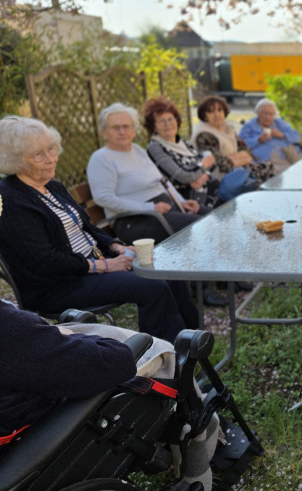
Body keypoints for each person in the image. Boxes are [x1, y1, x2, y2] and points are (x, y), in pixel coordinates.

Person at [0, 299, 222, 491]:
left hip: (27, 389)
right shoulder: (8, 328)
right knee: (160, 349)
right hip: (33, 447)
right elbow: (116, 360)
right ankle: (198, 455)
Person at [0, 116, 200, 341]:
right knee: (153, 286)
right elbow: (45, 261)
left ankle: (191, 340)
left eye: (51, 149)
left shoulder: (52, 187)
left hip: (88, 267)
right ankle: (167, 359)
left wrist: (116, 246)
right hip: (58, 285)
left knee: (165, 268)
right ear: (15, 159)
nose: (51, 159)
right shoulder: (11, 200)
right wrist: (106, 265)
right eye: (39, 155)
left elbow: (88, 227)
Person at [87, 103, 207, 245]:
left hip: (162, 210)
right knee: (202, 227)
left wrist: (181, 201)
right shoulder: (101, 158)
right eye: (115, 127)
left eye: (126, 126)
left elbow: (162, 181)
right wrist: (149, 208)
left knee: (215, 216)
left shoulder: (137, 150)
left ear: (133, 130)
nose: (121, 131)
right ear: (103, 132)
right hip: (134, 220)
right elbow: (103, 198)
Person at [144, 96, 220, 207]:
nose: (168, 124)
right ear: (154, 127)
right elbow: (183, 176)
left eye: (170, 119)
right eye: (161, 121)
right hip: (190, 202)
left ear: (177, 120)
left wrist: (203, 177)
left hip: (209, 193)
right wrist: (204, 164)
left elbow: (214, 166)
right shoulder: (155, 147)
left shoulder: (182, 143)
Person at [190, 95, 271, 182]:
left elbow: (247, 150)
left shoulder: (228, 128)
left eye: (219, 110)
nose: (216, 114)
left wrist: (233, 158)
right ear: (205, 116)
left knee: (269, 170)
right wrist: (244, 160)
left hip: (237, 171)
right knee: (263, 179)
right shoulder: (204, 135)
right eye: (211, 111)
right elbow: (217, 164)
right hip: (221, 180)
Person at [239, 98, 302, 174]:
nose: (268, 117)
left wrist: (282, 135)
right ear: (258, 113)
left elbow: (297, 137)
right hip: (265, 163)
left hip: (287, 159)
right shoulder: (249, 126)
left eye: (271, 114)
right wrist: (258, 140)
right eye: (265, 113)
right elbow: (240, 143)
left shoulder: (279, 123)